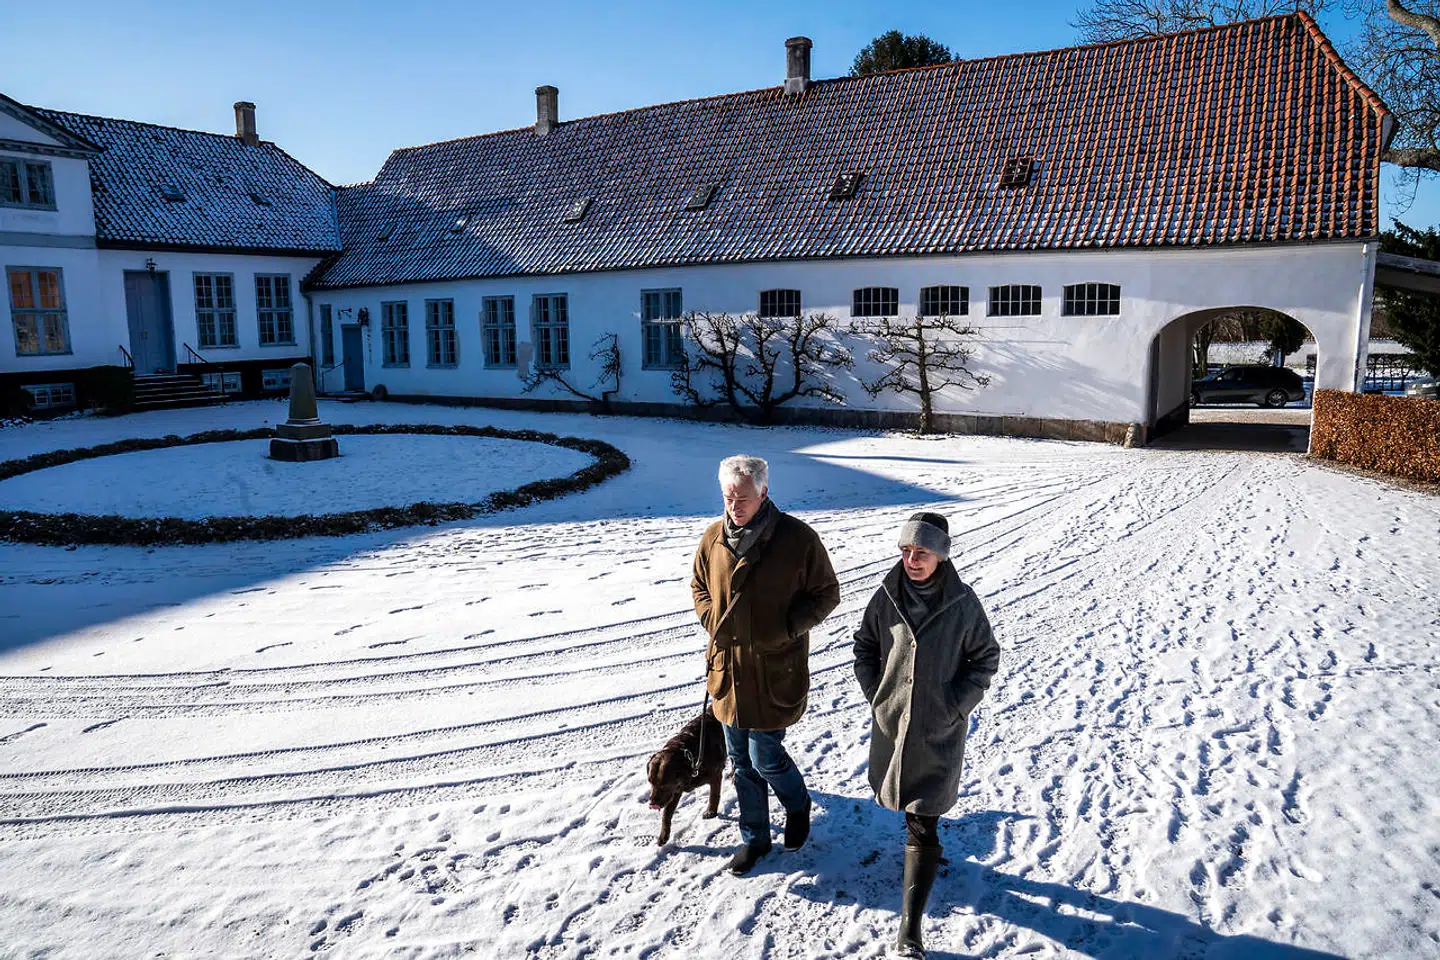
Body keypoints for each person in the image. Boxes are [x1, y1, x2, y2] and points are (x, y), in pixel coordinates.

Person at [853, 512, 1001, 959]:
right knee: (907, 804)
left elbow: (986, 658)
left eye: (921, 552)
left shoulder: (963, 603)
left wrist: (955, 705)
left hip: (939, 730)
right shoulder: (886, 597)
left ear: (940, 554)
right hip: (892, 725)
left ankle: (910, 930)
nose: (912, 559)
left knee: (924, 816)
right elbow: (865, 647)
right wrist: (877, 695)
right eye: (905, 551)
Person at [691, 454, 840, 876]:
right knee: (739, 761)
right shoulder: (713, 537)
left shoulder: (797, 539)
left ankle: (797, 804)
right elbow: (700, 584)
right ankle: (754, 838)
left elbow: (826, 593)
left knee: (765, 756)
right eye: (727, 497)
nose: (734, 506)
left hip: (775, 669)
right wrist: (710, 619)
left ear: (764, 493)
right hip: (728, 671)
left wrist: (788, 629)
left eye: (743, 497)